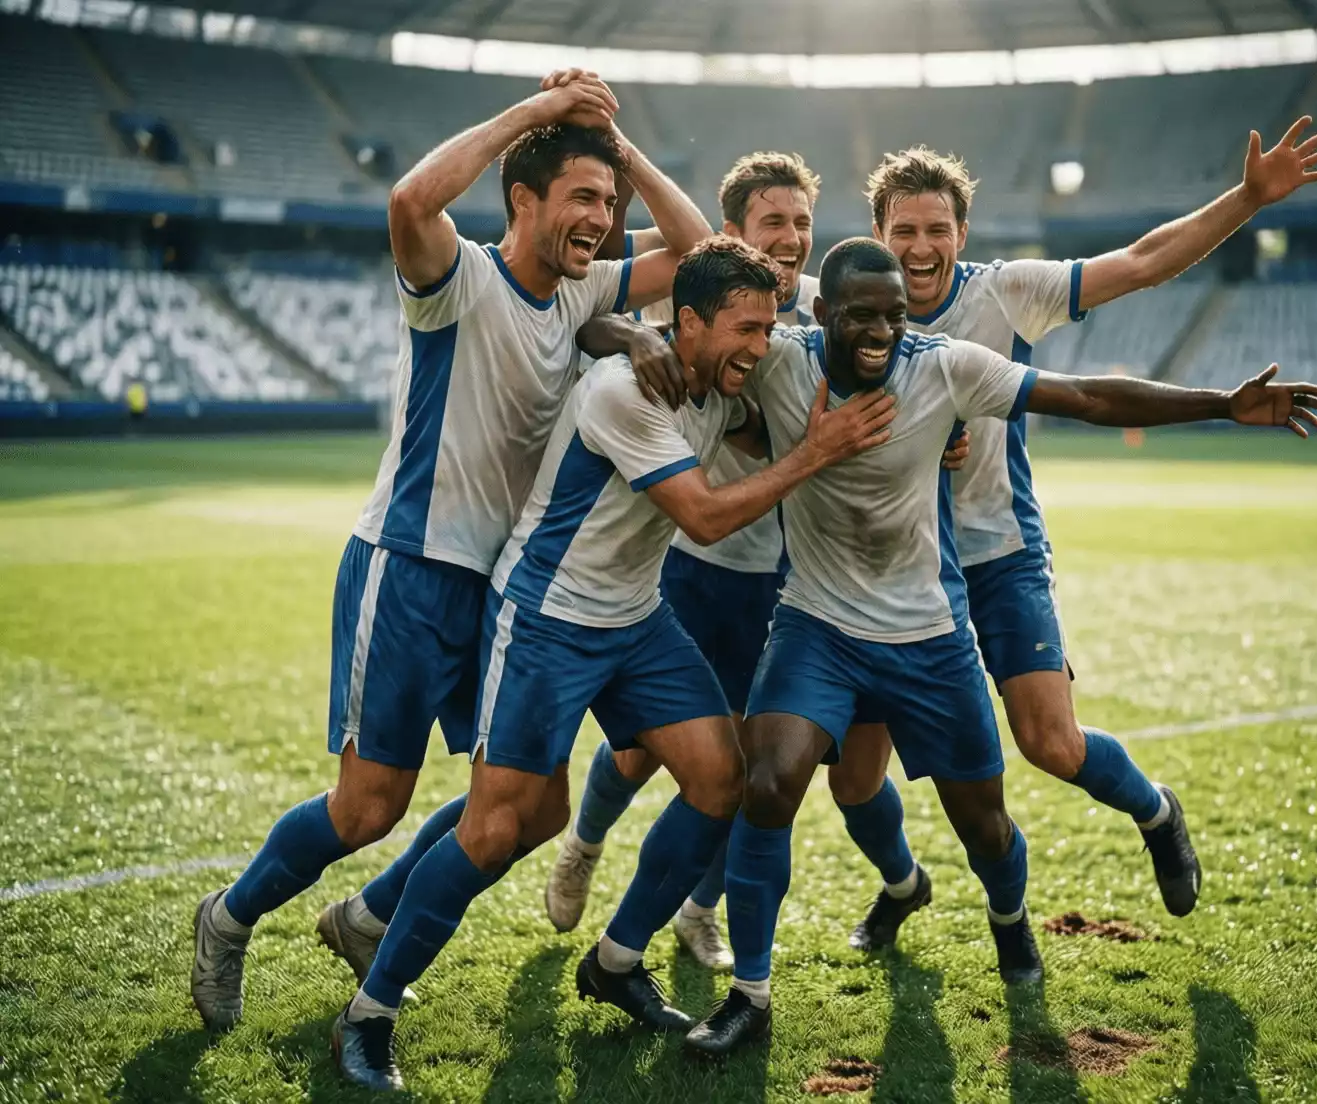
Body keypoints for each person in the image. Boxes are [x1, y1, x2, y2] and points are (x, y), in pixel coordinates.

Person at [681, 237, 1317, 1057]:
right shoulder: (779, 363)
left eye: (895, 313)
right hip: (817, 624)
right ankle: (752, 996)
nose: (882, 330)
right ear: (821, 315)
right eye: (861, 316)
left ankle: (1009, 917)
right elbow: (683, 346)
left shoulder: (946, 364)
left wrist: (1219, 404)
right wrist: (633, 341)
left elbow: (1086, 396)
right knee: (768, 783)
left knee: (985, 827)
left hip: (928, 635)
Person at [190, 69, 712, 1035]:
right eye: (581, 197)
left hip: (506, 590)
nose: (600, 216)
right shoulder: (457, 278)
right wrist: (540, 112)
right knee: (366, 807)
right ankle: (228, 919)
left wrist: (616, 144)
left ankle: (369, 916)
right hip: (410, 568)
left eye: (608, 200)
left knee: (535, 808)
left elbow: (700, 255)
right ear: (524, 199)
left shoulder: (589, 286)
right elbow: (409, 200)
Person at [331, 236, 898, 1089]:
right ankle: (369, 1013)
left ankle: (619, 959)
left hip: (636, 620)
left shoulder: (722, 378)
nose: (759, 345)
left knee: (721, 779)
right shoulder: (625, 390)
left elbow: (823, 367)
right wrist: (812, 452)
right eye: (743, 328)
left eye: (769, 326)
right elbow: (703, 519)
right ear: (688, 320)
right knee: (497, 828)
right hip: (548, 622)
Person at [820, 118, 1317, 929]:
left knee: (1052, 745)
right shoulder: (845, 316)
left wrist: (1247, 199)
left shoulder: (1005, 291)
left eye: (936, 230)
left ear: (962, 232)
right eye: (903, 231)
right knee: (851, 779)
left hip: (997, 552)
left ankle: (1157, 812)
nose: (920, 248)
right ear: (877, 235)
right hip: (892, 570)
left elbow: (1136, 264)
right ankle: (901, 885)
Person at [547, 152, 966, 969]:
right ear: (735, 231)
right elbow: (587, 319)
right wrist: (634, 333)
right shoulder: (703, 285)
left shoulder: (817, 306)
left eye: (804, 222)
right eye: (775, 222)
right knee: (636, 751)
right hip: (689, 559)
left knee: (747, 766)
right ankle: (585, 844)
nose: (794, 238)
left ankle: (701, 909)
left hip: (777, 573)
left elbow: (903, 366)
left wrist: (947, 428)